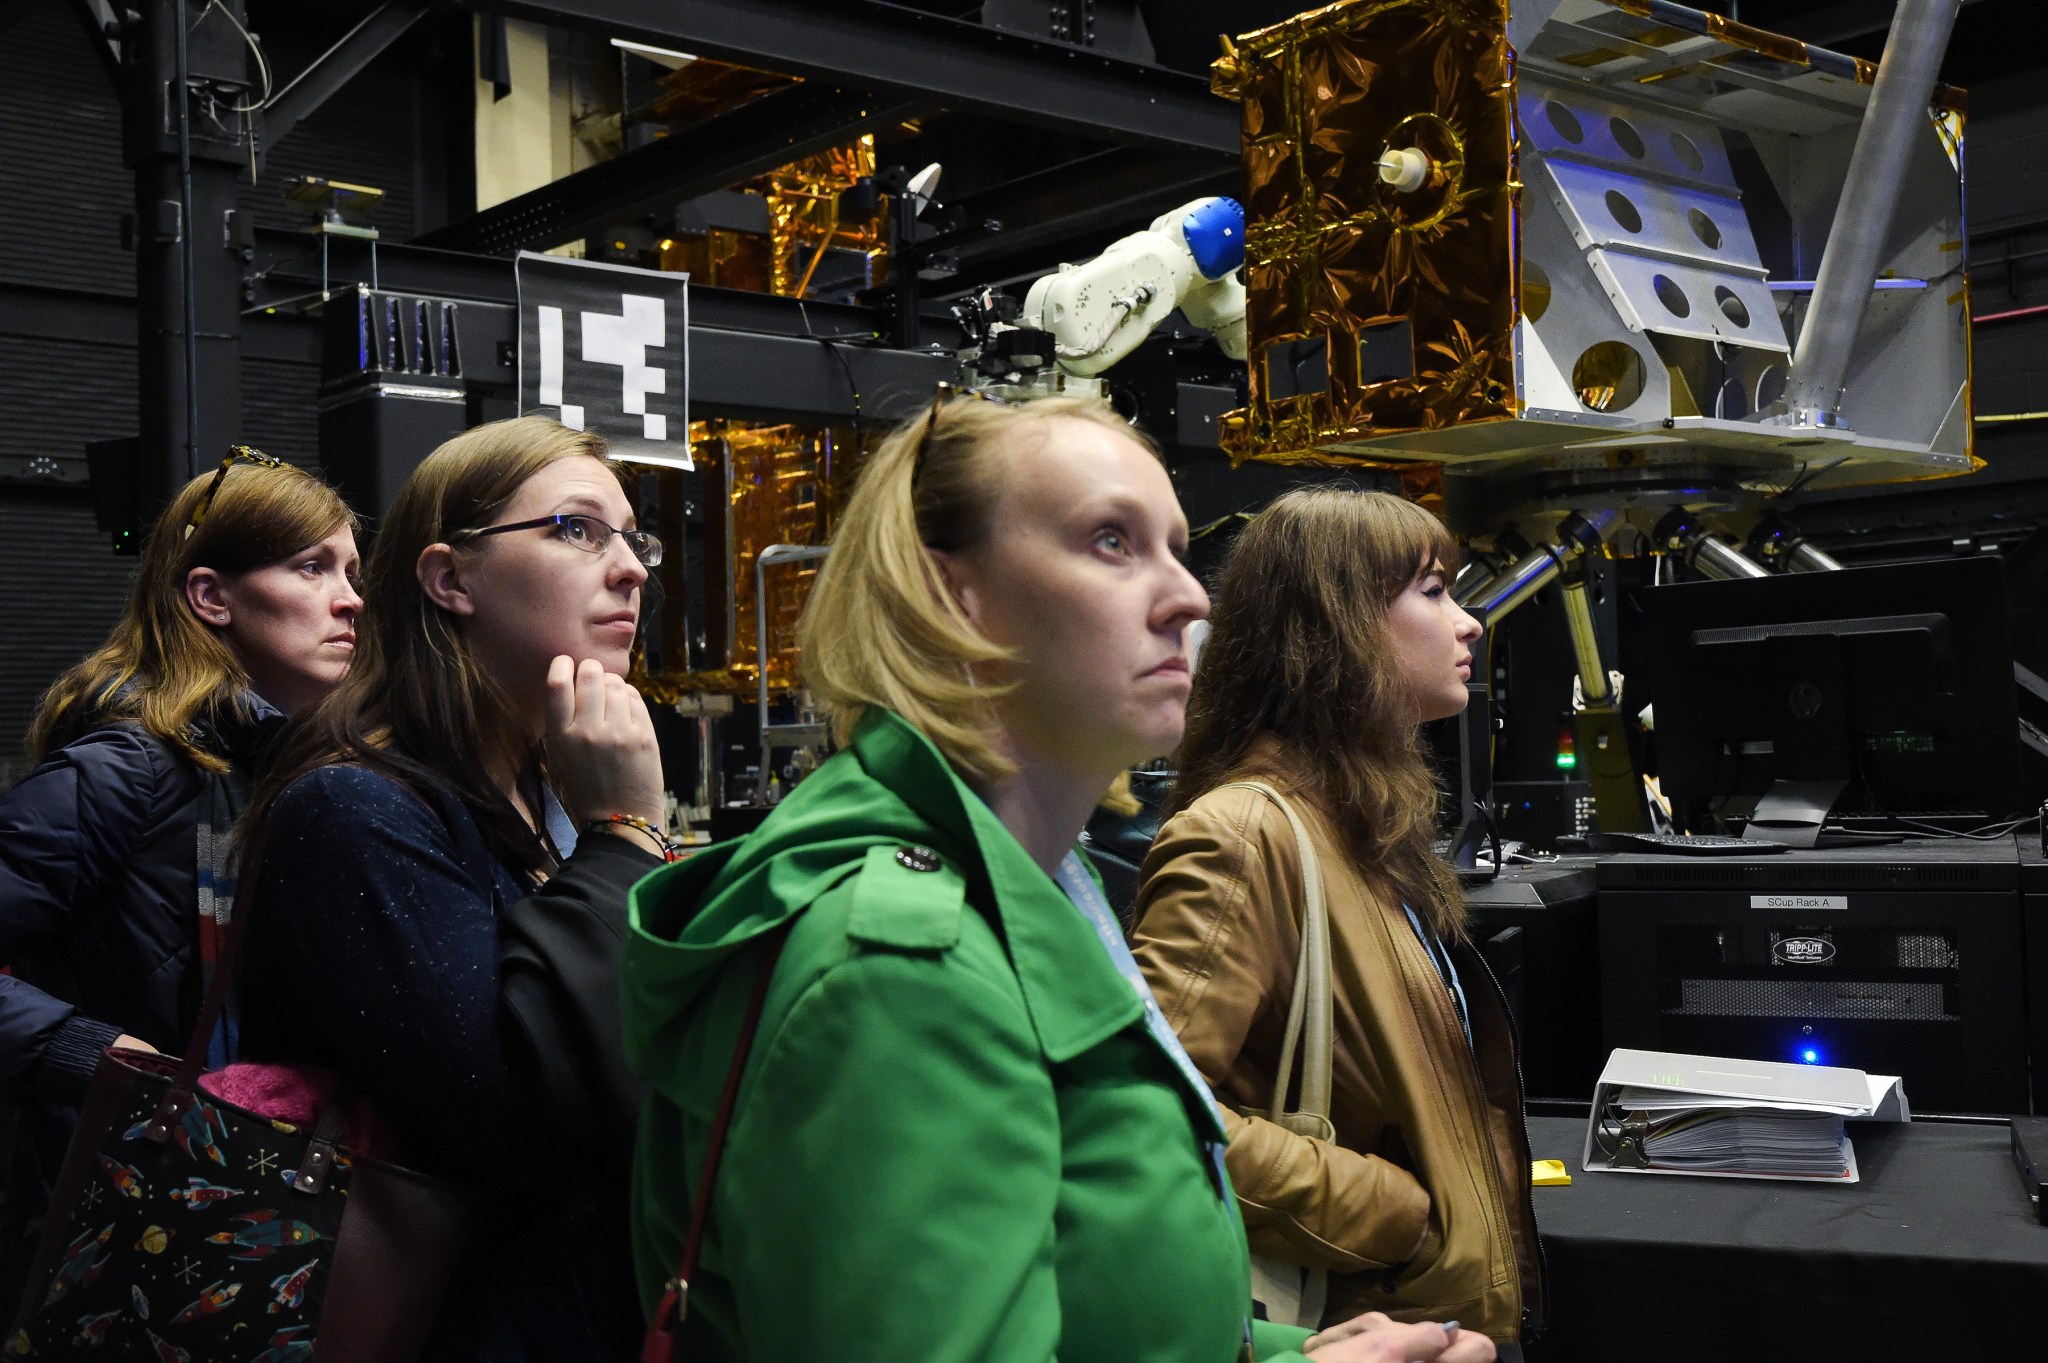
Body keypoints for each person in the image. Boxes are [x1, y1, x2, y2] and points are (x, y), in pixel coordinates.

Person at [624, 394, 1494, 1363]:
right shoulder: (900, 976)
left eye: (1174, 545)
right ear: (950, 596)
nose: (1189, 597)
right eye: (1111, 542)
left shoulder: (1042, 885)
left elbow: (1092, 1295)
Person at [232, 416, 667, 1362]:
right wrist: (626, 834)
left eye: (637, 537)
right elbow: (520, 1115)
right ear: (449, 578)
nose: (631, 566)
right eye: (579, 528)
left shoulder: (533, 789)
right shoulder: (353, 809)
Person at [1130, 489, 1542, 1353]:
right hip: (1357, 1330)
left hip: (1437, 1327)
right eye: (1433, 592)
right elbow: (1151, 1115)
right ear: (1337, 624)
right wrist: (1396, 1215)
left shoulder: (1361, 829)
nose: (1468, 624)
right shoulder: (1244, 833)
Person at [0, 449, 360, 1301]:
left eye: (352, 569)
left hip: (228, 1215)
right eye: (312, 567)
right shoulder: (132, 766)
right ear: (211, 596)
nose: (350, 598)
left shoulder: (288, 772)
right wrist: (85, 1051)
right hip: (110, 1221)